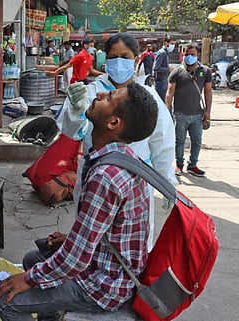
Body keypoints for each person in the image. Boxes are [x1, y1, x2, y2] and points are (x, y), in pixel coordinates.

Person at [0, 82, 159, 321]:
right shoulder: (122, 157)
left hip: (105, 287)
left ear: (113, 123)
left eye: (109, 97)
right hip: (108, 268)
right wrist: (71, 239)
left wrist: (27, 280)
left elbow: (76, 258)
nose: (100, 94)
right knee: (33, 258)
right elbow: (102, 230)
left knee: (6, 301)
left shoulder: (106, 176)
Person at [57, 33, 176, 251]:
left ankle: (127, 280)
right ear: (105, 59)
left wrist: (166, 180)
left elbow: (163, 143)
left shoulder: (147, 97)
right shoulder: (93, 92)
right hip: (97, 176)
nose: (118, 62)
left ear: (136, 59)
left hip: (136, 178)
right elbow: (73, 131)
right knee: (90, 236)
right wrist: (75, 109)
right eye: (113, 57)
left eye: (125, 56)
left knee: (132, 239)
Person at [165, 43, 212, 177]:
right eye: (186, 54)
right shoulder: (177, 72)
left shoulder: (205, 71)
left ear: (197, 55)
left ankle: (193, 165)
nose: (189, 57)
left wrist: (208, 111)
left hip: (197, 114)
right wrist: (166, 108)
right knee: (179, 141)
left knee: (197, 141)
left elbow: (208, 92)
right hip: (180, 114)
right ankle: (179, 165)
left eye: (192, 54)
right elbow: (170, 91)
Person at [153, 36, 176, 101]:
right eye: (172, 44)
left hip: (164, 81)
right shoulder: (162, 53)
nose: (173, 46)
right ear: (166, 43)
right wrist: (169, 69)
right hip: (160, 83)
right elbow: (156, 68)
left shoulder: (166, 53)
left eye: (174, 44)